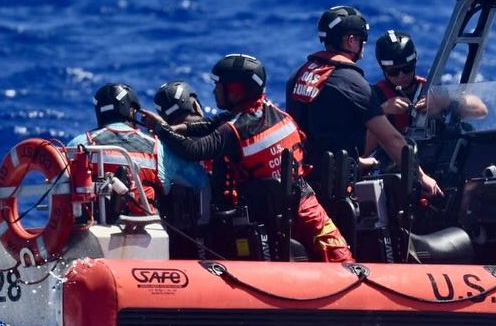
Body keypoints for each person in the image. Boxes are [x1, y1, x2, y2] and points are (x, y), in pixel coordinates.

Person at [138, 54, 353, 262]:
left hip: (280, 211)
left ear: (235, 91)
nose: (214, 91)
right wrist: (176, 129)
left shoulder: (235, 130)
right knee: (341, 254)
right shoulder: (269, 111)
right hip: (302, 202)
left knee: (340, 259)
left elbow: (193, 150)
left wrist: (160, 129)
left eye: (219, 85)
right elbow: (213, 123)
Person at [285, 6, 442, 197]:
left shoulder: (298, 76)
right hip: (336, 187)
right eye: (361, 40)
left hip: (302, 182)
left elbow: (316, 135)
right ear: (351, 41)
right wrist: (422, 177)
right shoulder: (352, 82)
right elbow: (391, 140)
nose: (363, 46)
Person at [67, 83, 178, 219]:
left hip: (94, 224)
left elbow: (62, 185)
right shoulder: (156, 145)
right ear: (131, 111)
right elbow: (193, 181)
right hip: (145, 224)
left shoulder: (81, 143)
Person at [371, 29, 487, 134]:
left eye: (407, 68)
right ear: (384, 70)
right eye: (393, 71)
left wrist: (446, 102)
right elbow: (362, 143)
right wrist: (382, 111)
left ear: (415, 64)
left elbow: (481, 110)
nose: (401, 76)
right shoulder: (375, 96)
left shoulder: (428, 88)